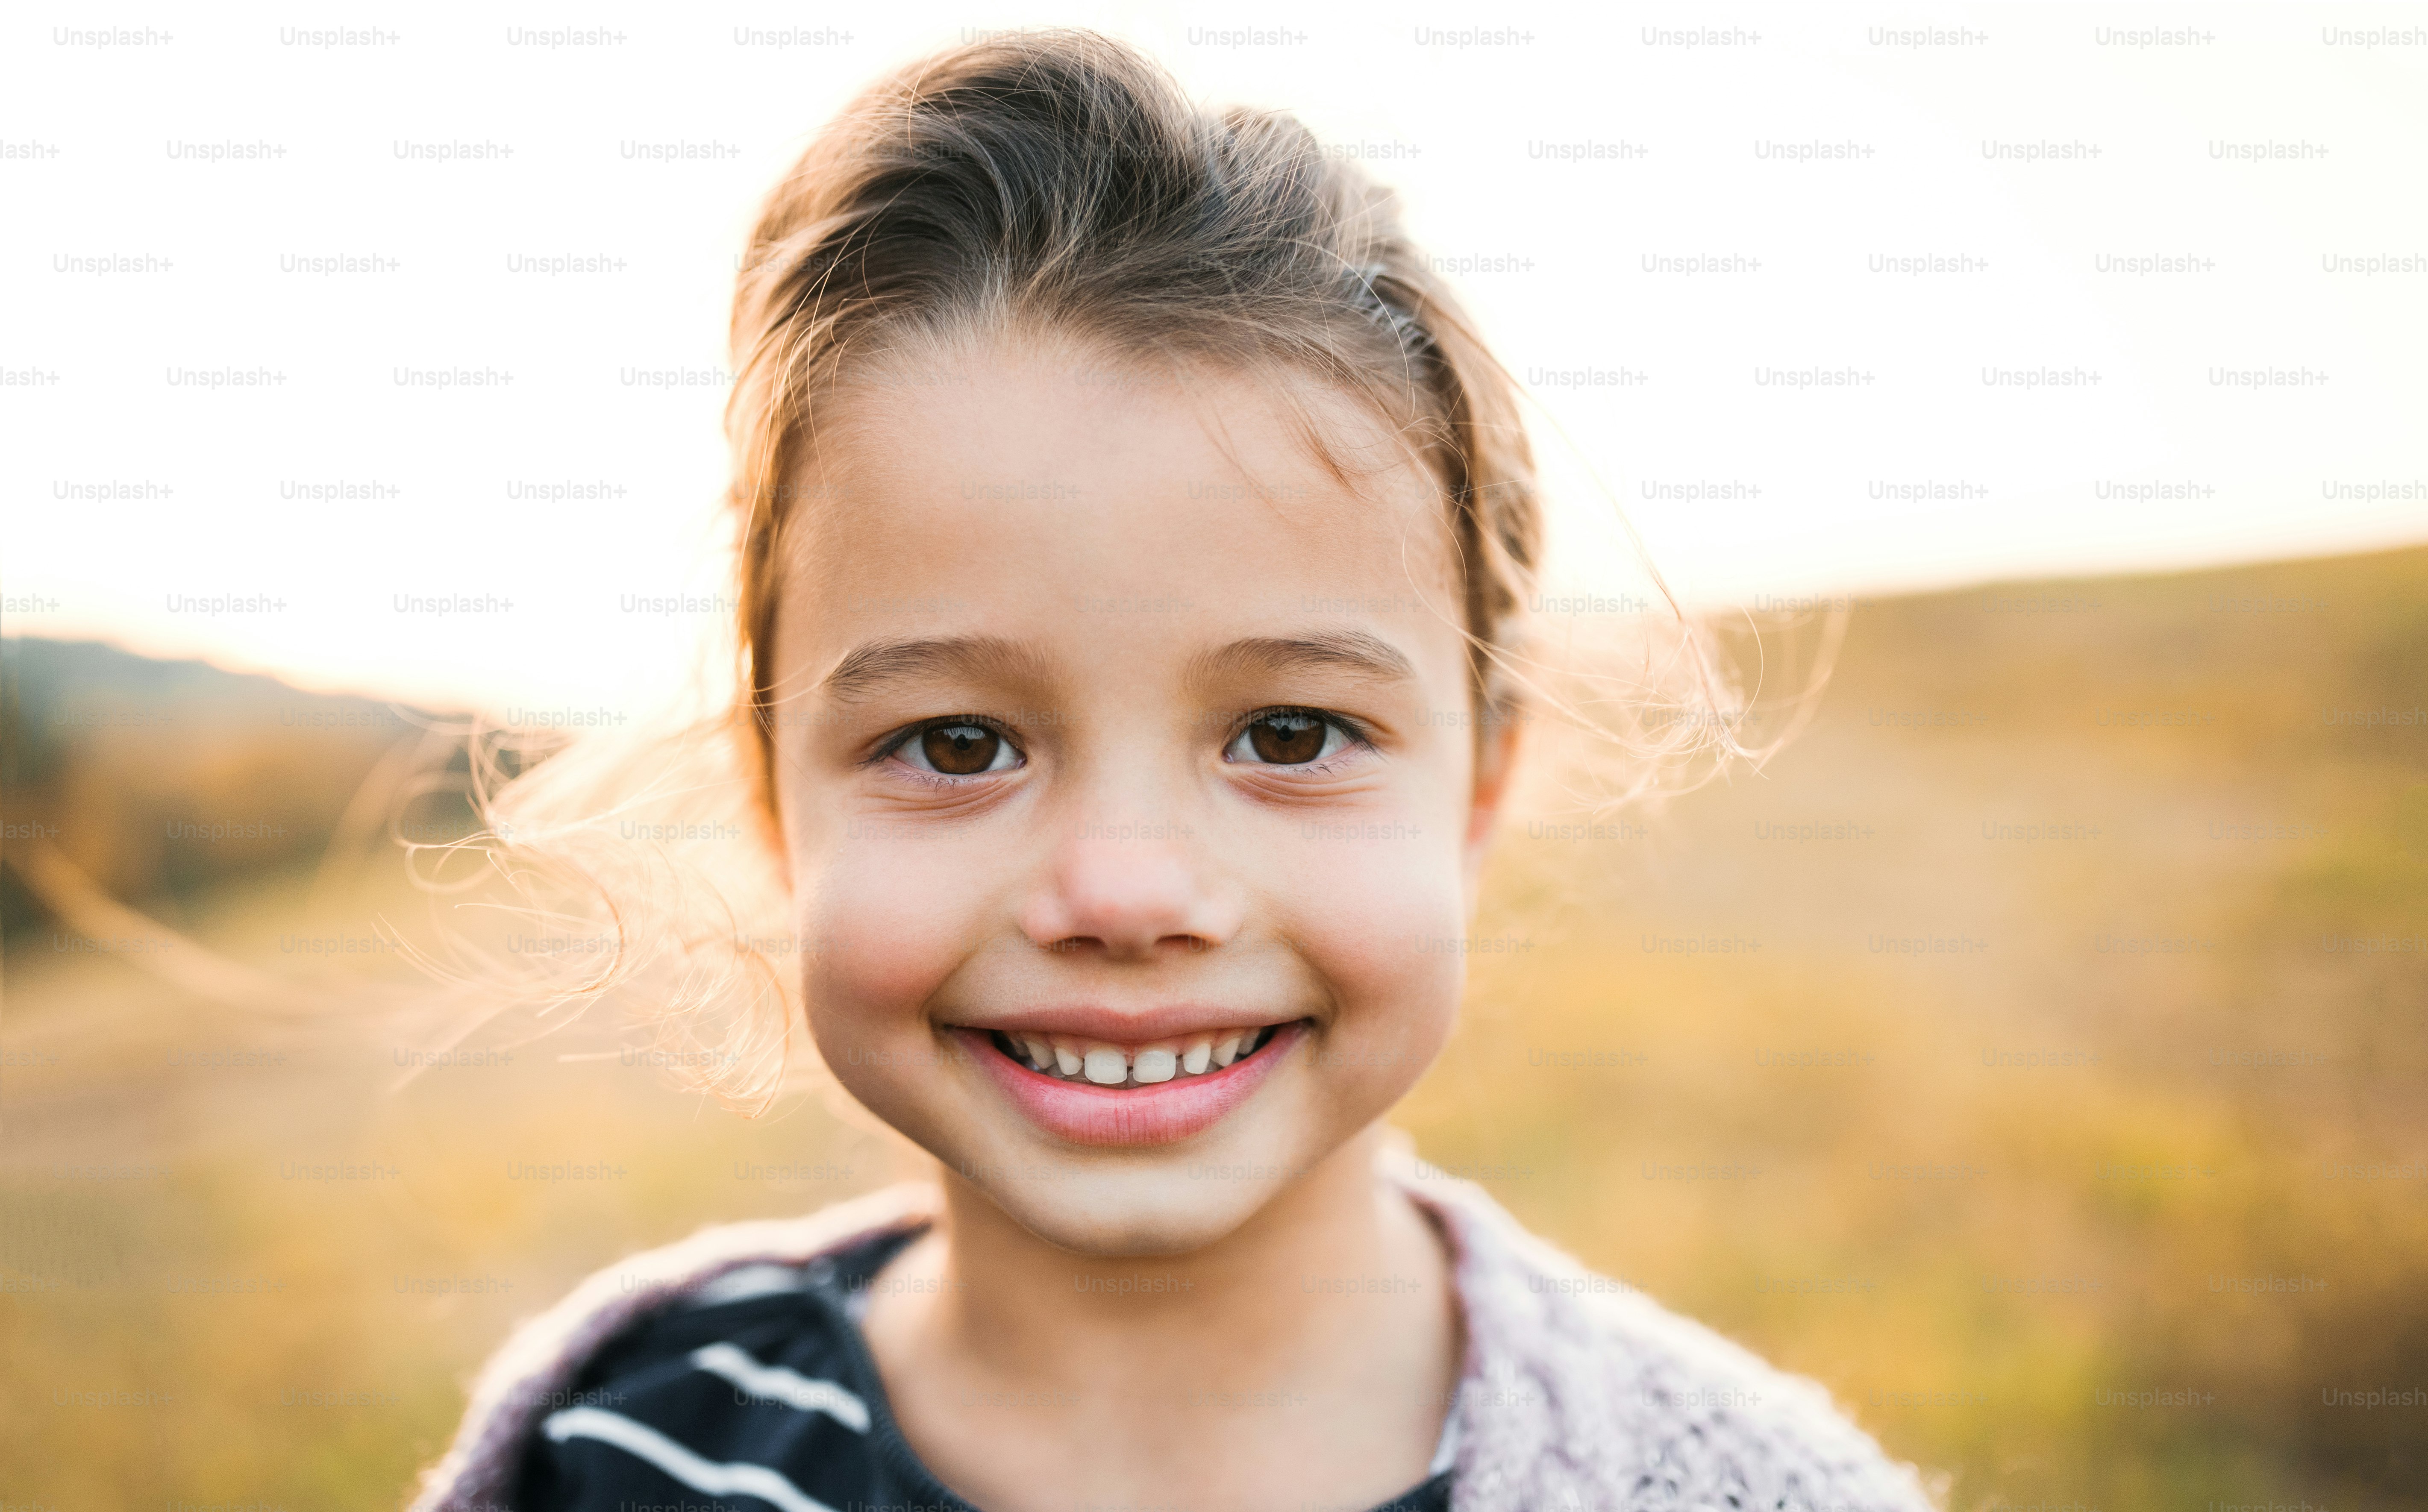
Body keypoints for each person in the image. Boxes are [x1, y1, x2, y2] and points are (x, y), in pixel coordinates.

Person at [410, 29, 1937, 1512]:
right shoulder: (615, 1451)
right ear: (773, 800)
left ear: (1479, 785)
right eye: (957, 744)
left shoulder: (1739, 1494)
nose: (1125, 893)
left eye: (1288, 735)